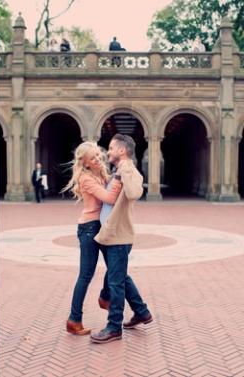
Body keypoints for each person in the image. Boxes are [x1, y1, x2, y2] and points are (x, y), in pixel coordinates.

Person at [90, 134, 153, 344]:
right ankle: (141, 312)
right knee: (121, 277)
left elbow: (135, 192)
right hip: (110, 235)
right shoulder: (118, 172)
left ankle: (114, 327)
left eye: (110, 148)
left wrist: (125, 166)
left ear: (122, 151)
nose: (107, 152)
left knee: (116, 282)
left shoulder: (129, 170)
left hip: (118, 237)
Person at [60, 142, 122, 335]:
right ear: (85, 163)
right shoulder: (86, 178)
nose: (98, 159)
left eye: (98, 155)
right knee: (85, 276)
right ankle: (74, 319)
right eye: (92, 158)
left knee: (115, 266)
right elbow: (109, 199)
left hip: (101, 227)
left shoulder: (100, 173)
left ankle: (105, 296)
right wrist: (120, 177)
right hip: (89, 229)